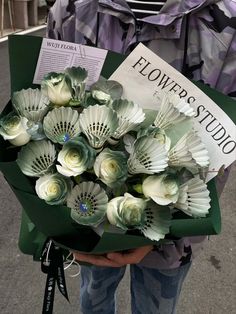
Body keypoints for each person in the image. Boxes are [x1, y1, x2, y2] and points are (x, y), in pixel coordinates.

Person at [46, 1, 236, 313]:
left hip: (171, 232)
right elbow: (47, 114)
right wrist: (61, 218)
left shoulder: (226, 23)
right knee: (93, 298)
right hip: (87, 220)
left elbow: (226, 142)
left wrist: (167, 232)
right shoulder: (72, 10)